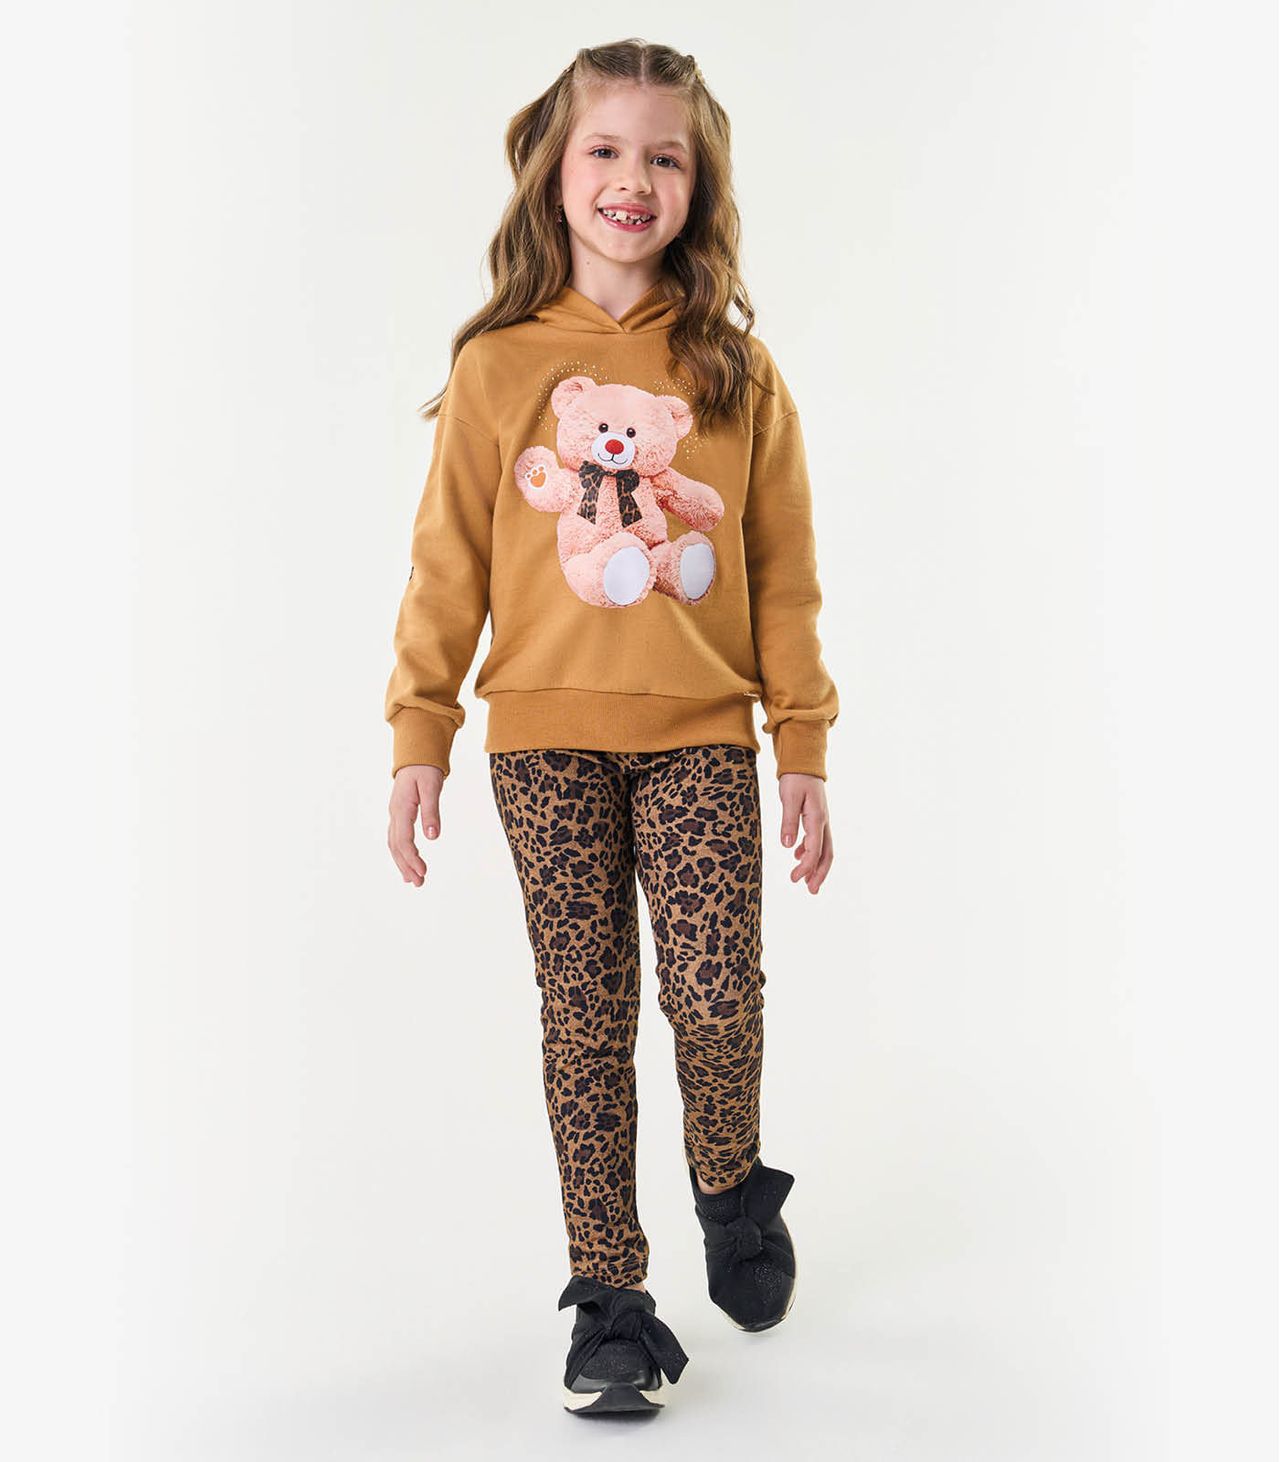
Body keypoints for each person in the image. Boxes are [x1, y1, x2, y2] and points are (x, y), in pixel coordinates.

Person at [384, 38, 839, 1417]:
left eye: (665, 155)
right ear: (554, 171)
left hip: (702, 731)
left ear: (699, 185)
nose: (632, 178)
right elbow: (449, 562)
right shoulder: (501, 367)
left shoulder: (735, 370)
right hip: (544, 740)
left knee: (716, 992)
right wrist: (420, 730)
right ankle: (610, 1300)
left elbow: (783, 567)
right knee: (583, 1011)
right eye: (605, 148)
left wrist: (803, 742)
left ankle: (729, 1181)